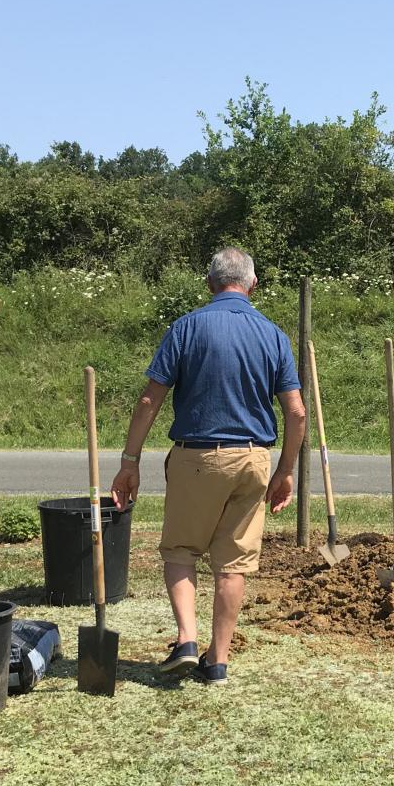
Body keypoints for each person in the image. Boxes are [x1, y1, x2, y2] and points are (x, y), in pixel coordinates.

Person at [109, 247, 306, 686]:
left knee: (180, 550)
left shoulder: (186, 328)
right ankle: (216, 661)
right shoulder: (273, 335)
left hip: (197, 456)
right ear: (253, 285)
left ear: (209, 284)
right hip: (255, 458)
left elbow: (149, 400)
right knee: (232, 564)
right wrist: (286, 470)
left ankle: (186, 639)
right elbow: (296, 413)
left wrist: (130, 462)